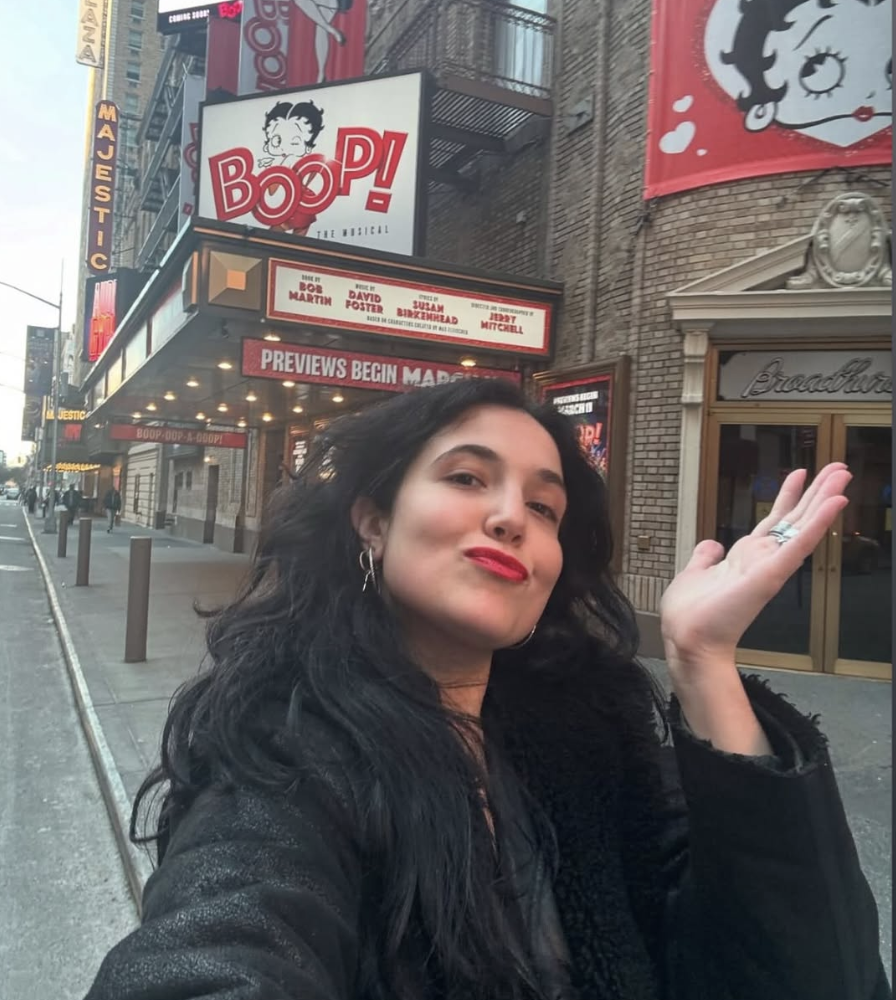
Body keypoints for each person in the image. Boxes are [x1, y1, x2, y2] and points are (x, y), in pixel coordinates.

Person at [84, 379, 887, 1000]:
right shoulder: (285, 756)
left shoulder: (598, 738)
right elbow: (224, 940)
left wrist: (702, 661)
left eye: (545, 506)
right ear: (372, 521)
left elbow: (807, 967)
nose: (512, 517)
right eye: (468, 478)